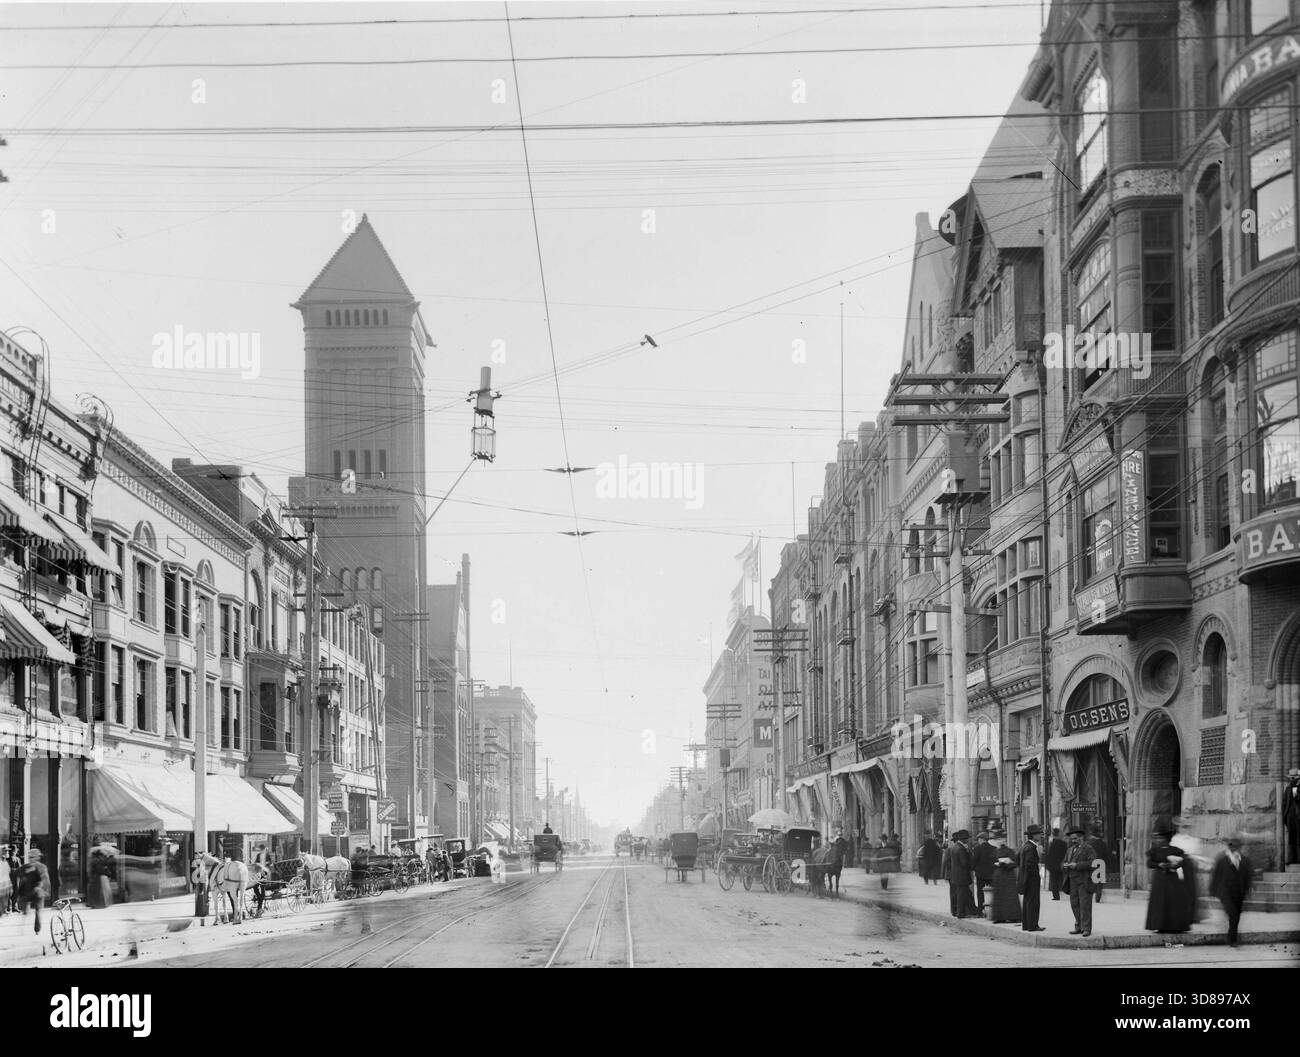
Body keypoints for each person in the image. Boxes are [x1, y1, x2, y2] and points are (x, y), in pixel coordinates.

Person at [1145, 828, 1193, 934]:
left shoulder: (1175, 850)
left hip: (1172, 880)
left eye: (1160, 838)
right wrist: (1159, 865)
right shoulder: (1154, 851)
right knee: (1160, 902)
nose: (1157, 840)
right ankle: (1160, 924)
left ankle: (1174, 925)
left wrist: (1176, 864)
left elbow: (1183, 862)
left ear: (1166, 839)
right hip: (1160, 880)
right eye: (1157, 838)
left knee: (1173, 902)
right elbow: (1149, 863)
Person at [1209, 837, 1253, 946]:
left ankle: (1232, 937)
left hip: (1239, 893)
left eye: (1236, 846)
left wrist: (1248, 889)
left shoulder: (1245, 860)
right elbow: (1215, 876)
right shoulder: (1222, 860)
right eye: (1231, 845)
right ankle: (1232, 939)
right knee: (1233, 914)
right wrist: (1213, 891)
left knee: (1236, 915)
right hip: (1225, 893)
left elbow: (1247, 876)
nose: (1234, 848)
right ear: (1229, 846)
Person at [1062, 826, 1096, 937]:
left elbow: (1093, 863)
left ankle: (1086, 928)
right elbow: (1064, 862)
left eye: (1075, 838)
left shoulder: (1088, 849)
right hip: (1072, 881)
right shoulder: (1069, 850)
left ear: (1081, 837)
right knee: (1074, 904)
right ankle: (1078, 926)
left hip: (1084, 881)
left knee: (1085, 905)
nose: (1073, 841)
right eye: (1071, 839)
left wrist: (1077, 865)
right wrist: (1065, 866)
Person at [989, 829, 1021, 924]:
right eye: (998, 839)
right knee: (999, 897)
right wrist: (996, 864)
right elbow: (990, 863)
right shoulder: (994, 851)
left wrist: (1007, 863)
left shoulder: (1009, 851)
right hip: (998, 876)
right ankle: (999, 917)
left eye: (1001, 839)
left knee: (1009, 897)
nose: (1000, 841)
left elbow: (1015, 864)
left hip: (1008, 876)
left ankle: (1012, 916)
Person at [18, 848, 52, 936]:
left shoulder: (24, 868)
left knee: (25, 912)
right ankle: (37, 930)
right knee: (38, 911)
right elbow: (45, 880)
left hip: (27, 893)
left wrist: (20, 893)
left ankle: (22, 929)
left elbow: (20, 880)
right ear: (37, 857)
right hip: (38, 892)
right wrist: (46, 891)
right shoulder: (41, 867)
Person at [1018, 824, 1044, 932]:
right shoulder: (1031, 848)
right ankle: (1033, 925)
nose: (1040, 836)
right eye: (1038, 834)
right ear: (1033, 836)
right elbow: (1030, 865)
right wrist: (1036, 875)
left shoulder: (1025, 846)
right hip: (1031, 879)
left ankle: (1027, 925)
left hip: (1025, 879)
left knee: (1027, 901)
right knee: (1033, 902)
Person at [947, 830, 977, 919]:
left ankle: (972, 911)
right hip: (962, 876)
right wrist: (969, 856)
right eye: (967, 838)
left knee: (964, 894)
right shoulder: (961, 849)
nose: (967, 840)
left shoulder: (954, 847)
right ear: (964, 839)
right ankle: (961, 913)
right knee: (961, 895)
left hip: (956, 875)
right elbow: (964, 863)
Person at [971, 831, 996, 914]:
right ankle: (992, 909)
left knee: (980, 893)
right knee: (992, 892)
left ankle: (980, 910)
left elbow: (974, 861)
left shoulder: (977, 849)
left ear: (982, 839)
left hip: (980, 875)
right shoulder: (993, 848)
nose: (978, 841)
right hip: (991, 875)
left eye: (978, 839)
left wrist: (975, 869)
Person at [1044, 827, 1067, 900]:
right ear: (1058, 834)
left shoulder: (1050, 844)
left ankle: (1056, 896)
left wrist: (1047, 864)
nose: (1062, 834)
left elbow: (1047, 854)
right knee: (1061, 879)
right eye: (1061, 833)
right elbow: (1065, 854)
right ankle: (1064, 892)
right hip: (1060, 864)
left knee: (1054, 880)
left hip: (1052, 865)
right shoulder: (1063, 844)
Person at [1284, 768, 1300, 866]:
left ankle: (1298, 858)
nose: (1291, 780)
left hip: (1298, 816)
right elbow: (1285, 802)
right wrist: (1285, 816)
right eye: (1290, 778)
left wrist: (1297, 792)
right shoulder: (1288, 788)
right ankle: (1291, 859)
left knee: (1298, 837)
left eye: (1293, 778)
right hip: (1290, 816)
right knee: (1291, 838)